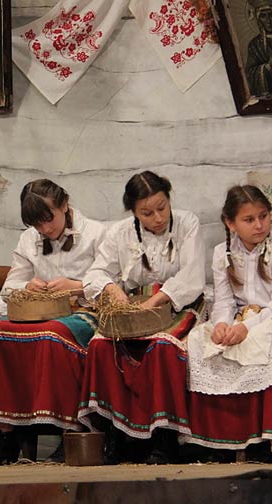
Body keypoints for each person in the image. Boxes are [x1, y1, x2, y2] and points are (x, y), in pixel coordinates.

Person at [0, 179, 107, 465]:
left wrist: (76, 286)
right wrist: (28, 286)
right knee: (1, 332)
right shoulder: (29, 239)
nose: (45, 229)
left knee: (52, 334)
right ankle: (6, 434)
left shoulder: (96, 233)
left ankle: (71, 430)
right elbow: (10, 286)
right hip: (39, 313)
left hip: (85, 313)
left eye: (49, 219)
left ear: (65, 204)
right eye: (38, 225)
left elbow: (113, 281)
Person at [79, 171, 205, 464]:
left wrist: (155, 301)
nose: (158, 218)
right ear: (133, 212)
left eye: (162, 207)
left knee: (163, 347)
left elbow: (192, 275)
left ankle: (164, 438)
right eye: (147, 213)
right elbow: (96, 273)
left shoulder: (188, 224)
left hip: (176, 304)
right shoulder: (120, 233)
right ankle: (115, 435)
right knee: (101, 346)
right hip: (134, 306)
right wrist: (111, 289)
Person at [184, 185, 272, 462]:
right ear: (230, 223)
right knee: (198, 342)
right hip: (242, 317)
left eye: (263, 216)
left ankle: (268, 441)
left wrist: (246, 328)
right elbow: (223, 301)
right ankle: (217, 441)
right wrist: (221, 324)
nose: (259, 225)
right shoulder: (222, 253)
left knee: (262, 343)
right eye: (249, 219)